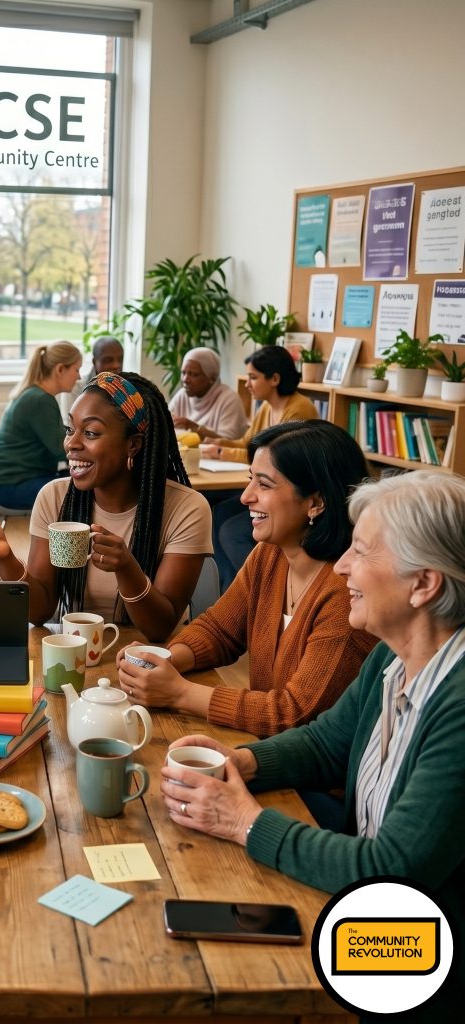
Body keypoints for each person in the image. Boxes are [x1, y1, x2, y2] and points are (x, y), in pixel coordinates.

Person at [160, 471, 465, 1018]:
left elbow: (392, 870)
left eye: (362, 552)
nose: (342, 566)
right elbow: (328, 741)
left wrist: (244, 823)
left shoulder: (459, 702)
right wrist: (241, 762)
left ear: (424, 585)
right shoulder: (394, 656)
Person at [118, 421, 377, 736]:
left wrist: (178, 693)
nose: (245, 497)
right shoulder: (271, 555)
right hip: (265, 749)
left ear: (316, 502)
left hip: (308, 782)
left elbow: (292, 714)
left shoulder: (345, 593)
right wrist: (163, 660)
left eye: (264, 485)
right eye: (250, 479)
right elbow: (219, 630)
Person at [0, 372, 212, 641]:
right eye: (70, 429)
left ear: (133, 444)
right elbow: (40, 612)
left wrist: (127, 569)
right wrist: (5, 559)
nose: (71, 444)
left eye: (90, 432)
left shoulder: (187, 509)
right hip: (77, 652)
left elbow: (160, 628)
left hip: (152, 661)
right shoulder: (54, 497)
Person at [205, 345, 319, 590]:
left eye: (253, 377)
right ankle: (226, 590)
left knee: (230, 531)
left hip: (285, 494)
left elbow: (275, 461)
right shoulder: (267, 407)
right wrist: (215, 441)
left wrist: (221, 452)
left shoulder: (299, 409)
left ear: (275, 379)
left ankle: (260, 590)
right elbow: (248, 445)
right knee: (218, 513)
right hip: (267, 487)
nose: (247, 384)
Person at [0, 341, 82, 508]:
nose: (79, 377)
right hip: (12, 486)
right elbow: (62, 449)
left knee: (79, 481)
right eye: (76, 369)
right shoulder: (40, 400)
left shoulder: (34, 394)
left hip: (10, 481)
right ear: (60, 369)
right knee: (83, 489)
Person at [168, 346, 248, 441]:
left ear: (212, 378)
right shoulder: (182, 395)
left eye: (194, 374)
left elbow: (229, 442)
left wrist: (193, 427)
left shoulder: (229, 399)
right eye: (183, 373)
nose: (185, 379)